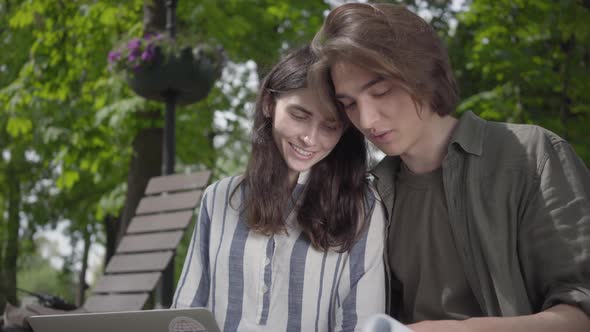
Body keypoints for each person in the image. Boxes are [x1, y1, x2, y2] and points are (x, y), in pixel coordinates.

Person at [308, 2, 590, 332]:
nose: (367, 120)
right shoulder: (373, 195)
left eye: (381, 92)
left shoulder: (530, 156)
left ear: (422, 73)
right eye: (349, 105)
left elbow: (580, 313)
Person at [171, 45, 386, 332]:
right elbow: (187, 312)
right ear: (269, 105)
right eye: (299, 115)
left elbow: (362, 323)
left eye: (330, 126)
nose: (310, 138)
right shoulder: (219, 197)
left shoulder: (363, 207)